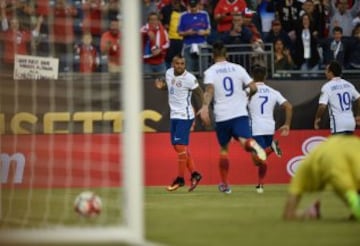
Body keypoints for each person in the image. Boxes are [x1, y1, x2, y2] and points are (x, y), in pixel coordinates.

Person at [198, 41, 266, 194]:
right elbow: (254, 87)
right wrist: (245, 94)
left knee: (224, 149)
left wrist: (204, 107)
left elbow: (209, 89)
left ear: (213, 55)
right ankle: (252, 144)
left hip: (222, 115)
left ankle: (225, 185)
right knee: (244, 142)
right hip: (239, 113)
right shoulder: (238, 68)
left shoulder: (210, 71)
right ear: (226, 54)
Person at [154, 54, 203, 192]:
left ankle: (180, 179)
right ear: (173, 64)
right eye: (177, 63)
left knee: (180, 147)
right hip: (174, 115)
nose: (180, 66)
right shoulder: (169, 73)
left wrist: (204, 108)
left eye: (182, 63)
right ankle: (195, 174)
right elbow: (170, 88)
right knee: (178, 147)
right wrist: (161, 86)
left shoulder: (189, 78)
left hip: (185, 116)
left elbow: (200, 92)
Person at [283, 134, 360, 221]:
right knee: (349, 189)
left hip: (327, 155)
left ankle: (310, 213)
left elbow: (288, 213)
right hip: (352, 146)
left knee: (347, 190)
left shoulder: (305, 167)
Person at [248, 65, 293, 194]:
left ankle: (272, 148)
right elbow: (289, 107)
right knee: (262, 159)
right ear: (265, 77)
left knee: (257, 161)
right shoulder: (273, 92)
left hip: (256, 127)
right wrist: (287, 124)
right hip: (269, 127)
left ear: (252, 77)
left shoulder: (249, 91)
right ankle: (260, 185)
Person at [314, 60, 360, 134]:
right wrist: (358, 115)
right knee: (347, 145)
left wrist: (317, 118)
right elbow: (359, 98)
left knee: (339, 145)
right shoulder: (348, 85)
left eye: (326, 70)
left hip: (338, 124)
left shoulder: (327, 87)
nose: (325, 72)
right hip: (350, 123)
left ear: (331, 72)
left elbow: (322, 106)